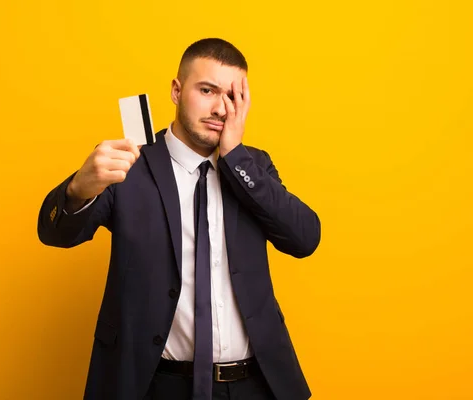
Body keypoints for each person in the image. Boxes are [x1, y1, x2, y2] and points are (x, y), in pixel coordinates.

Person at [37, 38, 321, 400]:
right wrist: (79, 188)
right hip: (155, 385)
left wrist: (236, 158)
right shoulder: (128, 164)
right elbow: (55, 233)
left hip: (255, 385)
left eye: (233, 97)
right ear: (176, 90)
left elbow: (304, 239)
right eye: (207, 90)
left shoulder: (254, 167)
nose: (221, 108)